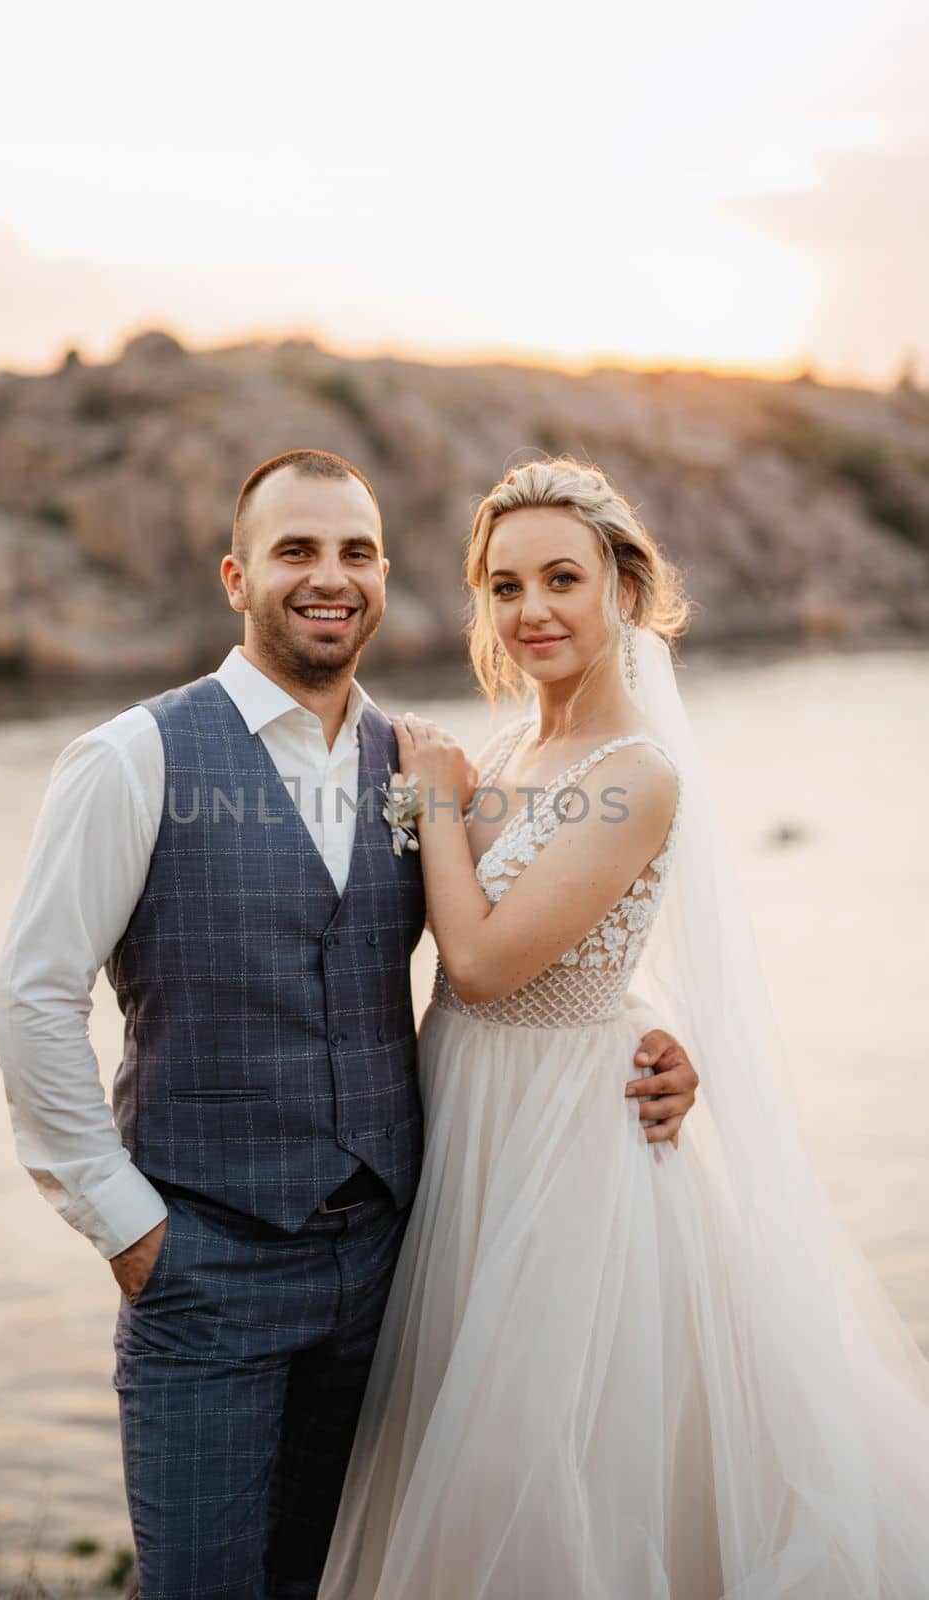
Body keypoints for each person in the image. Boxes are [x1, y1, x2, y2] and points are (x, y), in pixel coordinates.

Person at [0, 448, 699, 1598]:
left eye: (356, 551)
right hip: (203, 1270)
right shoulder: (134, 757)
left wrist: (648, 1033)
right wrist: (128, 1228)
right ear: (237, 576)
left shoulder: (423, 764)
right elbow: (30, 1000)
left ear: (384, 574)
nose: (332, 577)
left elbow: (553, 932)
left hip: (396, 1269)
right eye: (297, 551)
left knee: (351, 1577)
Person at [317, 455, 929, 1599]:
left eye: (562, 578)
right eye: (505, 585)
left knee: (542, 1454)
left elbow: (490, 963)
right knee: (455, 1434)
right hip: (466, 1118)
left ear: (623, 592)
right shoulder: (503, 751)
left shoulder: (637, 770)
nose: (533, 608)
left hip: (565, 1144)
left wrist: (436, 804)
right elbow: (568, 947)